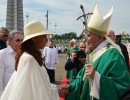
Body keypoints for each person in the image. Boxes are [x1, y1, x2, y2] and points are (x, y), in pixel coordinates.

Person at [64, 4, 130, 100]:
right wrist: (69, 88)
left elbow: (121, 87)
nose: (85, 39)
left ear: (99, 37)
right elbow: (81, 78)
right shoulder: (93, 53)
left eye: (89, 35)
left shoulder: (113, 55)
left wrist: (97, 77)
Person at [0, 20, 68, 100]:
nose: (46, 40)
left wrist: (55, 88)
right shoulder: (29, 58)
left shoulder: (30, 56)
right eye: (43, 36)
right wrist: (55, 90)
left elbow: (38, 83)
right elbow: (36, 91)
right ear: (34, 39)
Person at [0, 30, 23, 97]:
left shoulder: (24, 55)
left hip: (21, 93)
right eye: (18, 40)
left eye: (22, 40)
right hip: (8, 94)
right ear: (10, 41)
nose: (21, 42)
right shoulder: (2, 54)